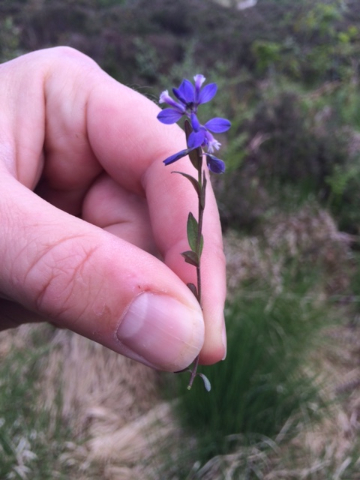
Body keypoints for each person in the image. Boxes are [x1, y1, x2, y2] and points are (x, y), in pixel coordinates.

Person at [0, 47, 226, 372]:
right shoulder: (184, 124)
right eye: (186, 106)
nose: (189, 109)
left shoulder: (196, 130)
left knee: (198, 208)